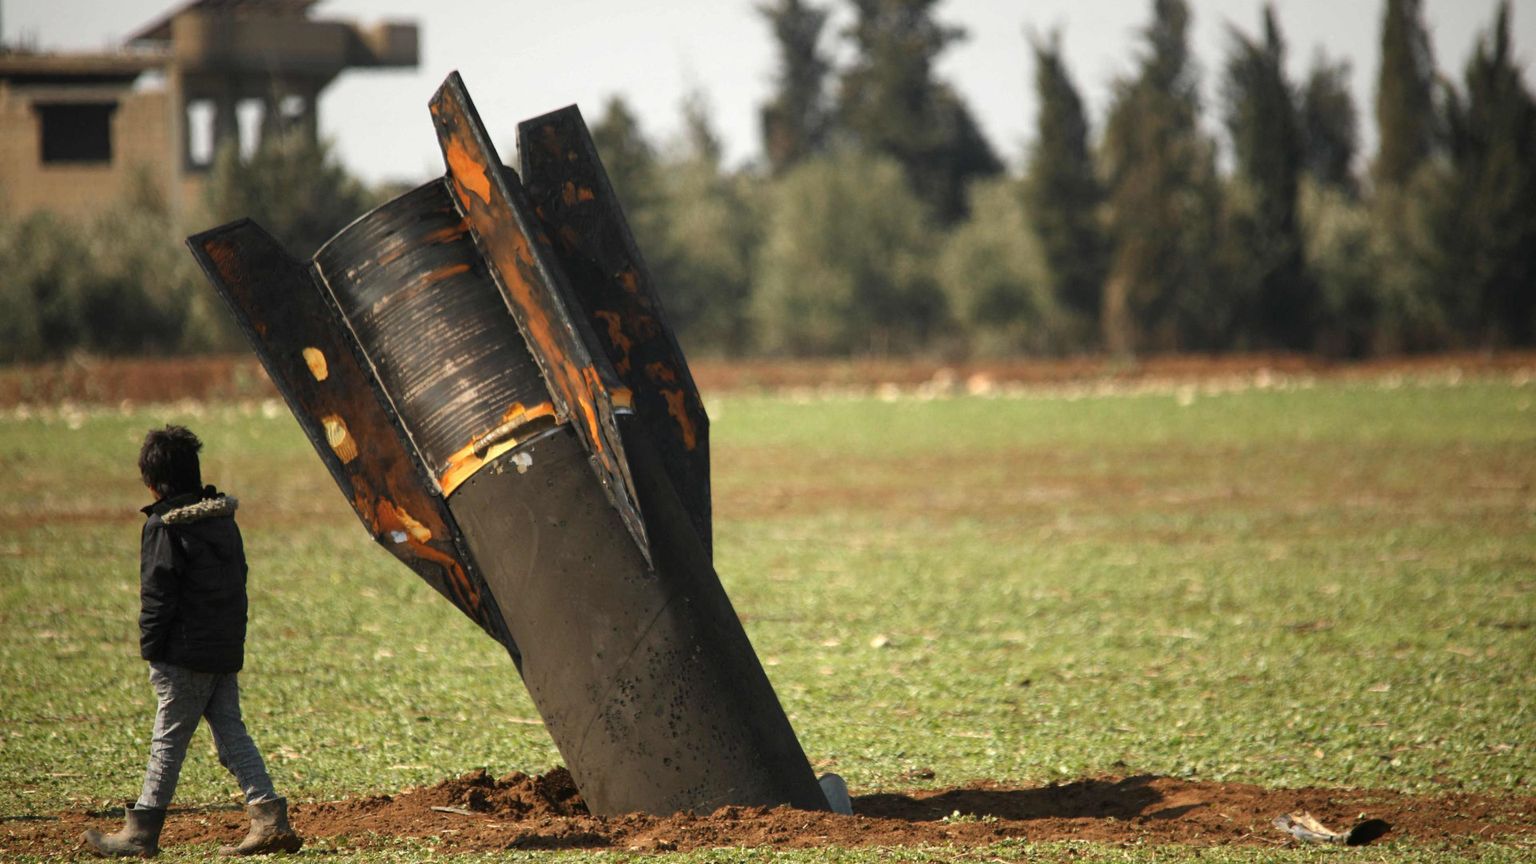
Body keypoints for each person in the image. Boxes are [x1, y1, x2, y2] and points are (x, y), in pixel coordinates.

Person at [83, 425, 302, 857]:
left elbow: (158, 596)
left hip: (183, 653)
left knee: (167, 742)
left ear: (152, 482)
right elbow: (238, 580)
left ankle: (140, 833)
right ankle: (270, 820)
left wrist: (152, 650)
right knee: (230, 734)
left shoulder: (162, 527)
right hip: (222, 647)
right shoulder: (222, 520)